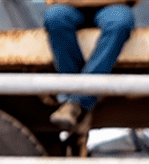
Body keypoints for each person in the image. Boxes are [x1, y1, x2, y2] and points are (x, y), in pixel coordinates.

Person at [43, 0, 138, 130]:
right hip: (71, 10)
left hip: (112, 10)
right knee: (55, 17)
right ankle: (79, 103)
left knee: (121, 21)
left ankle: (74, 103)